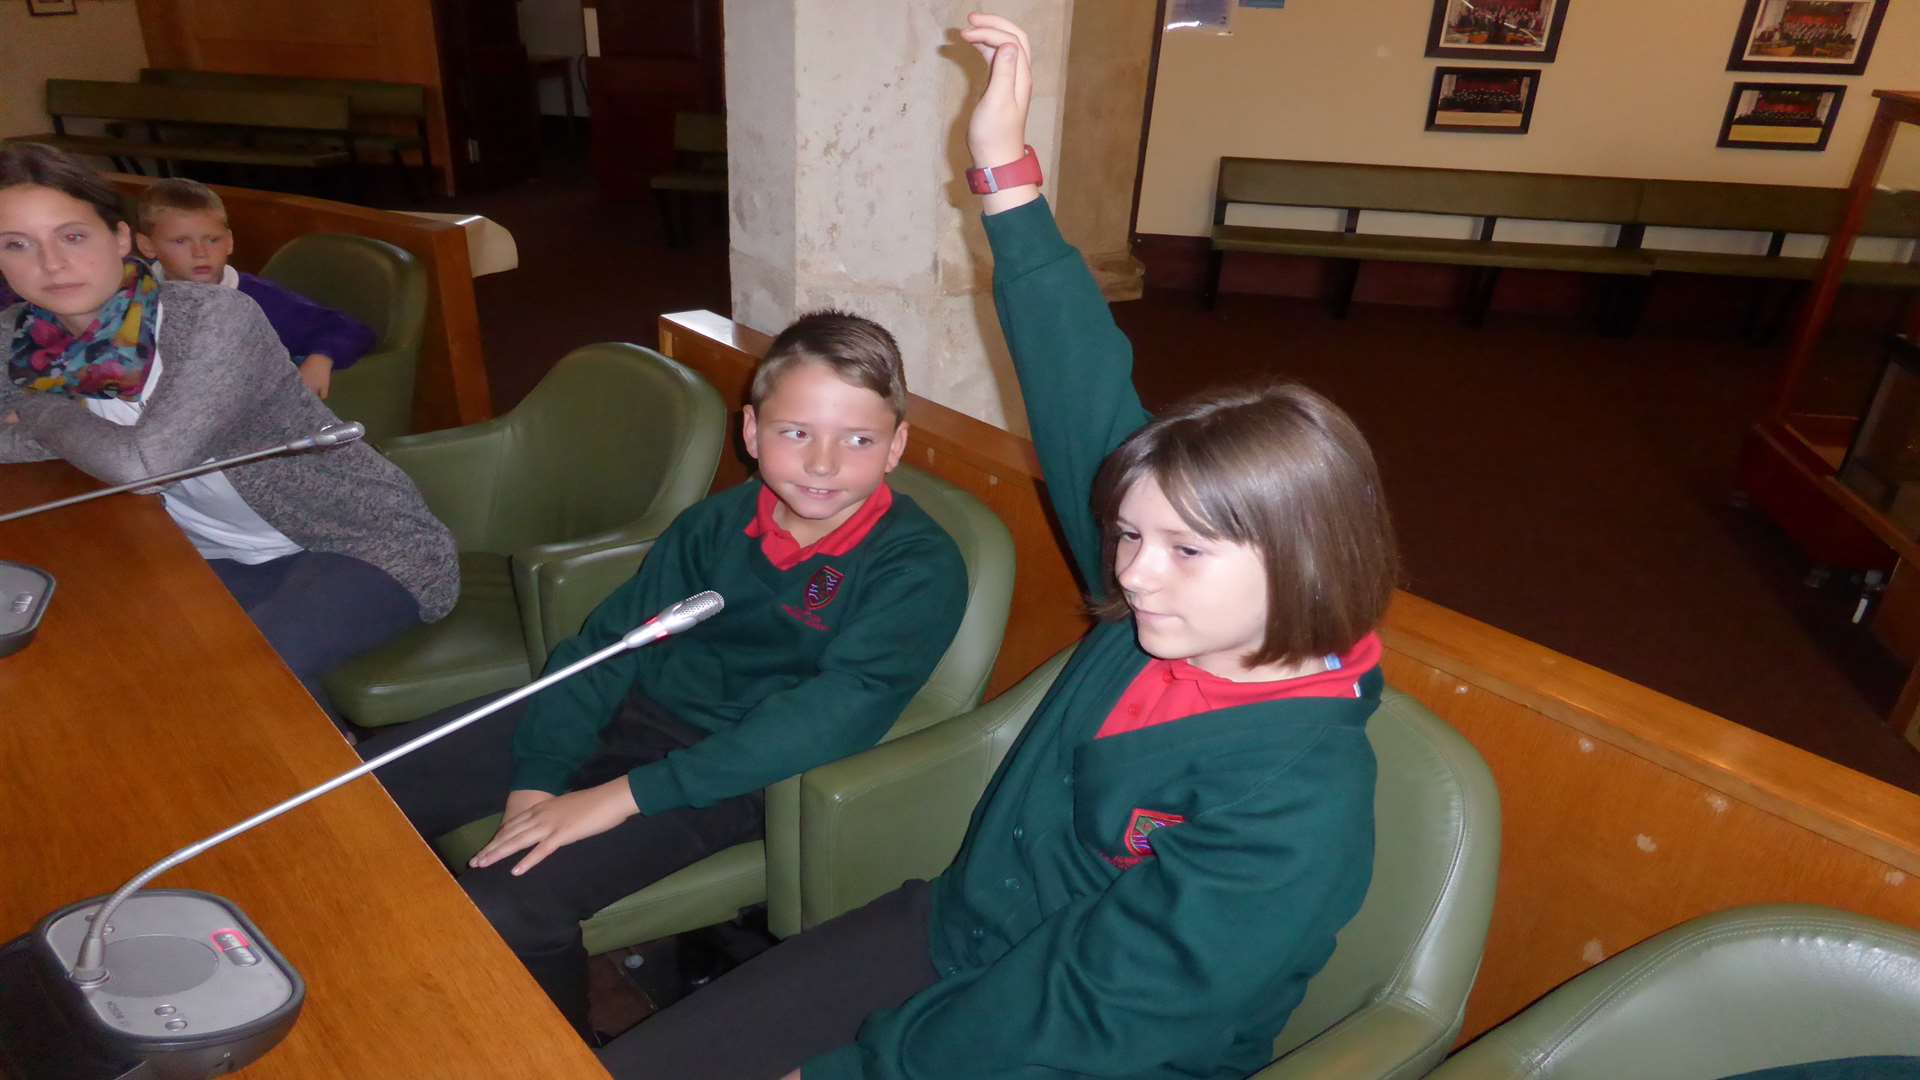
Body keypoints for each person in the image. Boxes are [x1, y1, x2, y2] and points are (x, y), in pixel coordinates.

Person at [594, 14, 1400, 1080]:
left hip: (1083, 1049)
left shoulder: (1297, 797)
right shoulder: (1165, 620)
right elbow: (1080, 393)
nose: (1129, 573)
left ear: (1302, 558)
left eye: (1185, 551)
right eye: (1129, 534)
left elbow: (1099, 1018)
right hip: (961, 938)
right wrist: (1005, 177)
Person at [359, 309, 970, 1042]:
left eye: (858, 439)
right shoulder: (715, 524)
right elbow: (611, 646)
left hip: (741, 771)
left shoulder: (917, 567)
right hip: (634, 710)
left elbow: (833, 716)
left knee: (509, 903)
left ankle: (555, 1051)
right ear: (750, 433)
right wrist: (540, 771)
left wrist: (622, 797)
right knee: (370, 785)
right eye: (796, 432)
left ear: (896, 445)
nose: (821, 464)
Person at [0, 142, 458, 726]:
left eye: (72, 236)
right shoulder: (20, 338)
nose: (51, 264)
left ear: (119, 238)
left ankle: (356, 808)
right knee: (105, 666)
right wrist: (61, 425)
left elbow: (145, 466)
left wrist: (39, 410)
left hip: (361, 544)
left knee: (233, 684)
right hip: (210, 554)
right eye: (17, 245)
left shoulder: (212, 318)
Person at [133, 179, 375, 400]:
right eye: (180, 241)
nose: (200, 252)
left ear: (229, 241)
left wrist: (321, 358)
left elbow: (350, 329)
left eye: (212, 239)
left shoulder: (256, 298)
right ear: (147, 245)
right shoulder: (130, 295)